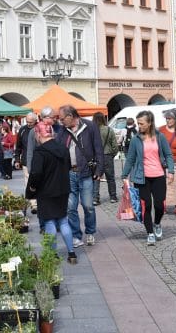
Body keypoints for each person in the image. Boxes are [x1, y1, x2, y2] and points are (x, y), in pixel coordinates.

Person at [121, 111, 174, 245]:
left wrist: (171, 171)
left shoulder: (160, 137)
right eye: (138, 123)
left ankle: (157, 223)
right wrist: (124, 175)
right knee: (146, 206)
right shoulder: (135, 139)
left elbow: (168, 155)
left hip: (159, 176)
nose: (139, 126)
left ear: (150, 123)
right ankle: (150, 233)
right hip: (141, 178)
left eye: (141, 123)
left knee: (160, 205)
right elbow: (130, 159)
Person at [27, 122, 77, 263]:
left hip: (46, 191)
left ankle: (53, 254)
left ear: (38, 134)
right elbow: (67, 166)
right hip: (63, 189)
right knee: (63, 220)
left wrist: (32, 188)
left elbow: (36, 173)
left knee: (49, 222)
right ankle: (71, 253)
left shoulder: (40, 152)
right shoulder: (63, 148)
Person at [56, 105, 104, 247]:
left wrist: (99, 171)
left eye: (62, 118)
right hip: (69, 173)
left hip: (86, 173)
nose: (61, 121)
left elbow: (98, 149)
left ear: (71, 116)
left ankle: (90, 232)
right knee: (71, 207)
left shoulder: (90, 127)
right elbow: (58, 150)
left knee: (88, 205)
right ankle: (76, 235)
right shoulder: (62, 131)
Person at [92, 112, 118, 205]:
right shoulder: (109, 130)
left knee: (96, 178)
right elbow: (115, 146)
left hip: (95, 157)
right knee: (110, 178)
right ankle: (113, 197)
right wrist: (112, 155)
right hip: (107, 156)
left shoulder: (91, 130)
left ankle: (95, 198)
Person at [15, 113, 38, 208]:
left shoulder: (39, 129)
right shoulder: (22, 130)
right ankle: (34, 204)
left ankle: (39, 200)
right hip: (25, 161)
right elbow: (18, 146)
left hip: (38, 160)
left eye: (31, 122)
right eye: (27, 122)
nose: (28, 124)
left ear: (35, 121)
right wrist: (17, 159)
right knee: (28, 182)